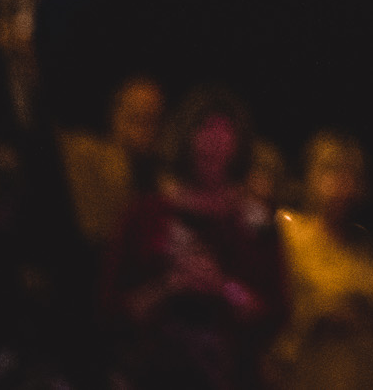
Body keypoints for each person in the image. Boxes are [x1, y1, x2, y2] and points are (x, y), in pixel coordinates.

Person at [102, 85, 286, 390]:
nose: (214, 140)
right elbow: (111, 309)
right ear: (186, 135)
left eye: (225, 131)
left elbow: (274, 316)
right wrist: (170, 284)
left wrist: (223, 287)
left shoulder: (257, 225)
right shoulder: (146, 214)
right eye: (205, 127)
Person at [273, 133, 373, 390]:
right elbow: (277, 303)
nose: (343, 185)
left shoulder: (361, 243)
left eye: (352, 175)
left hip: (358, 374)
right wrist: (325, 312)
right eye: (333, 173)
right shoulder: (290, 232)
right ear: (312, 176)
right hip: (307, 372)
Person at [63, 75, 166, 248]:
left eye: (150, 120)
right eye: (134, 117)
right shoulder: (86, 153)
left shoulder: (164, 178)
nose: (140, 131)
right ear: (114, 115)